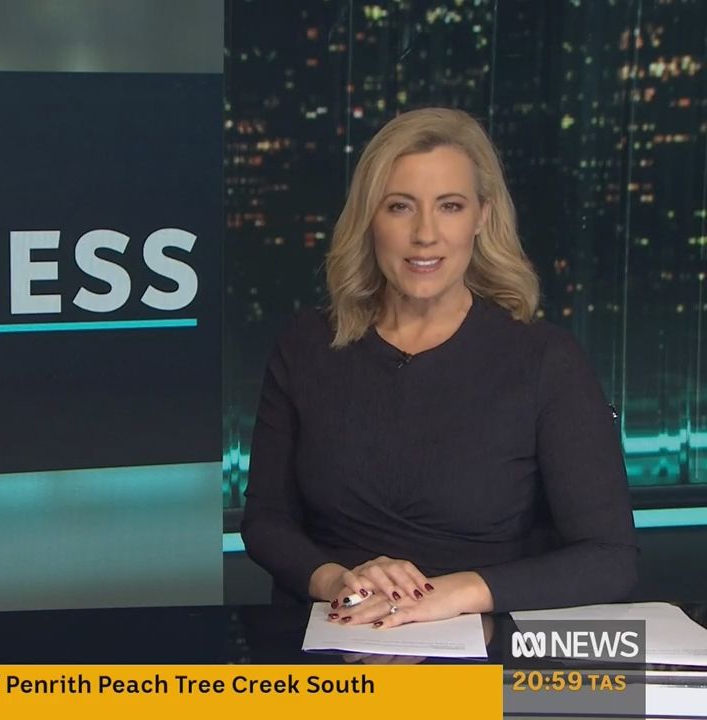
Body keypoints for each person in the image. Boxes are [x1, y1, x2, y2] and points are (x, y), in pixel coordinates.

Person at [241, 107, 638, 628]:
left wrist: (454, 593)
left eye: (450, 206)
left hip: (479, 645)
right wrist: (335, 580)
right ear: (369, 218)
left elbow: (610, 557)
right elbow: (266, 521)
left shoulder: (546, 361)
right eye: (400, 207)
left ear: (482, 217)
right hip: (336, 637)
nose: (425, 234)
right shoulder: (306, 344)